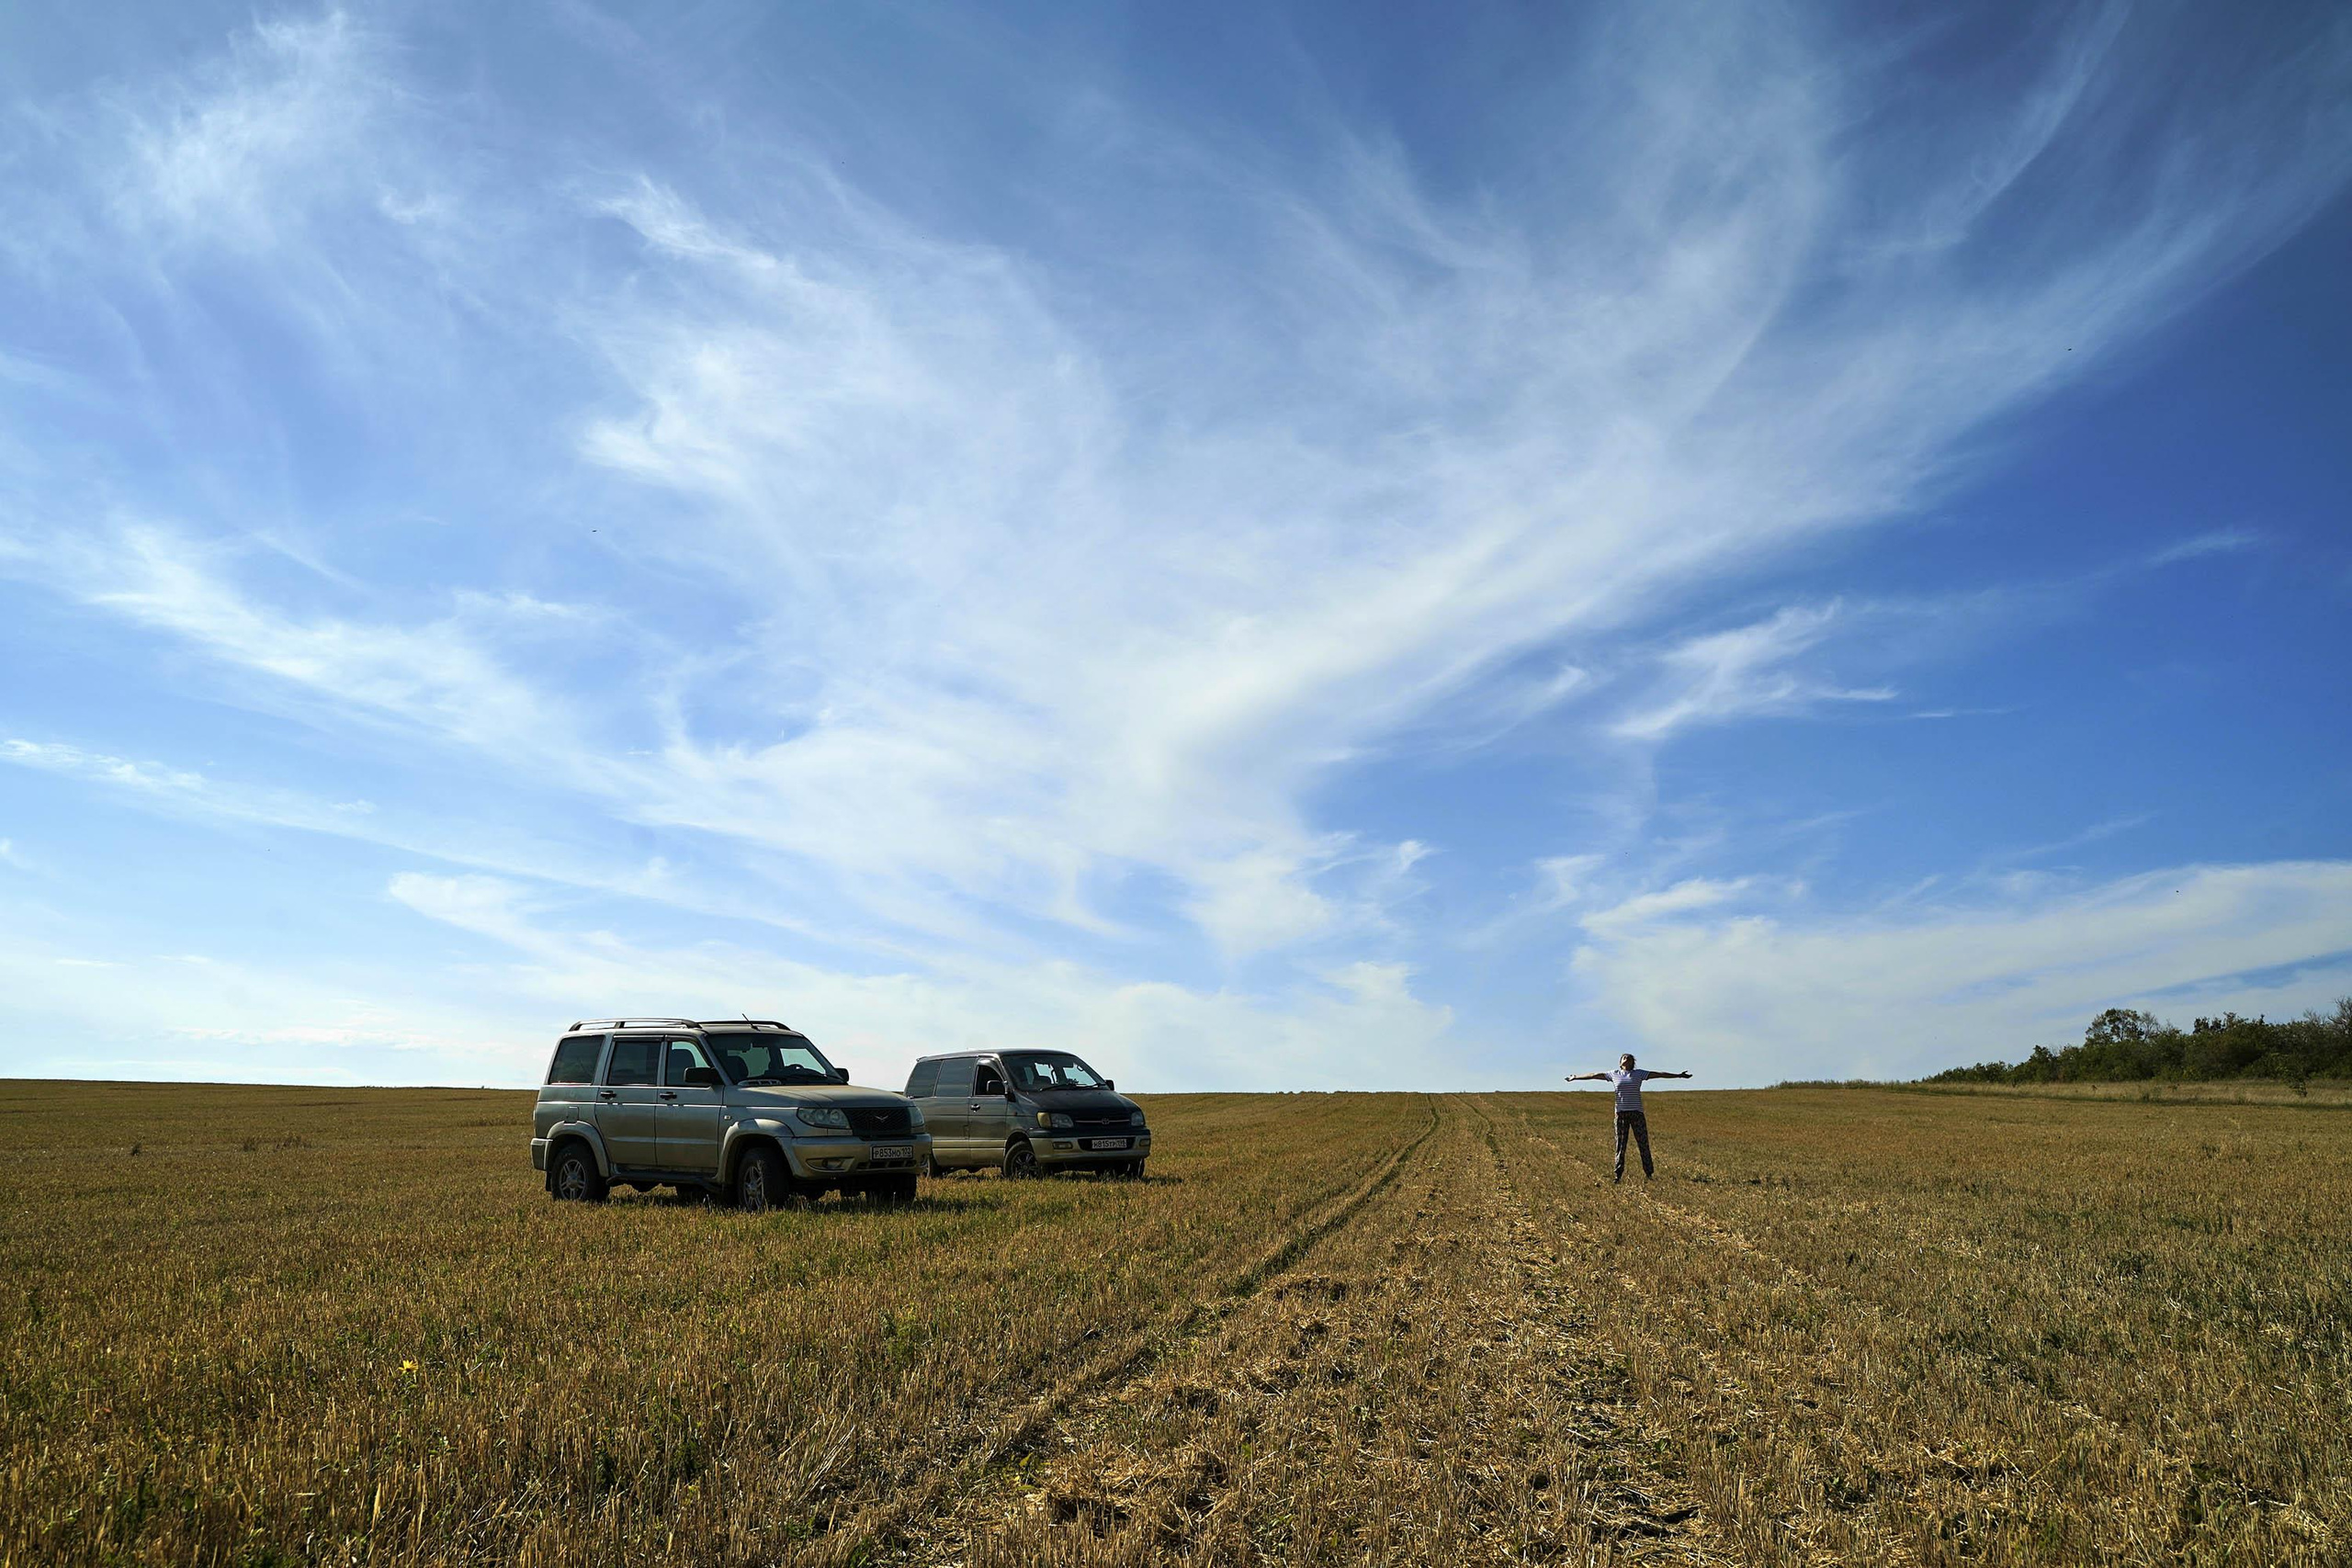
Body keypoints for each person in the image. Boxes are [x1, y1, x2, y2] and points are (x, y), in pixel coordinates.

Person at [1565, 1054, 1692, 1183]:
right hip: (1621, 1114)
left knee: (1643, 1144)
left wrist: (1678, 1075)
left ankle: (1649, 1174)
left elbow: (1659, 1074)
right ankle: (1618, 1175)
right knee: (1620, 1145)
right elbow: (1594, 1075)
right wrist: (1575, 1077)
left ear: (1633, 1062)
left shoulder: (1639, 1074)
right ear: (1620, 1063)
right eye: (1624, 1057)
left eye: (1629, 1057)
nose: (1627, 1058)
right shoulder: (1614, 1074)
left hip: (1637, 1113)